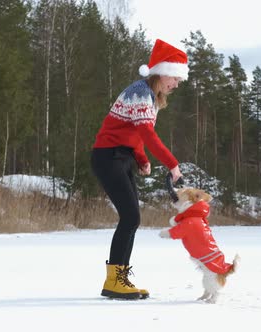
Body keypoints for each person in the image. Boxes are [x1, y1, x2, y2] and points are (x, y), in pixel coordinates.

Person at [90, 39, 188, 300]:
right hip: (107, 157)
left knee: (132, 218)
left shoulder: (149, 96)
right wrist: (172, 163)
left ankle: (118, 278)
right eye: (175, 78)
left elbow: (134, 132)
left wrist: (141, 158)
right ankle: (114, 281)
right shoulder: (139, 92)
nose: (177, 84)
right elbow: (147, 133)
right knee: (131, 217)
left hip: (120, 158)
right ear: (163, 72)